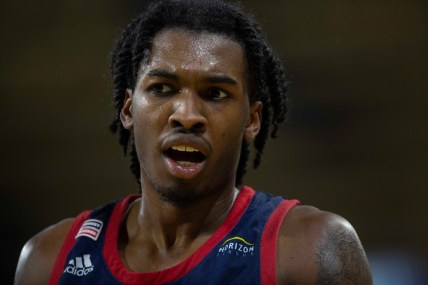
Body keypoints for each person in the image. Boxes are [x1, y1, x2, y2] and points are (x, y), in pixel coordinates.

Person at [14, 0, 372, 284]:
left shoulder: (310, 251)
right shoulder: (48, 260)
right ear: (127, 109)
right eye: (162, 89)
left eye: (215, 93)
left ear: (252, 119)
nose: (186, 114)